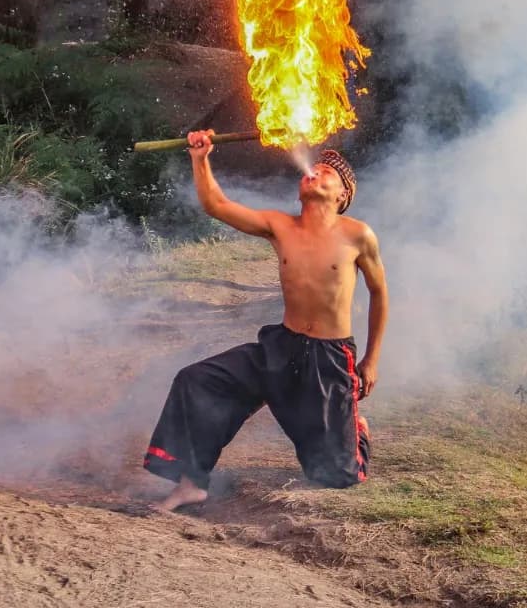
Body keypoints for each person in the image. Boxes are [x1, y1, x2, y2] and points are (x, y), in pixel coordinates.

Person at [142, 131, 389, 513]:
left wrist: (370, 360)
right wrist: (200, 158)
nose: (314, 172)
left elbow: (379, 293)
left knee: (335, 474)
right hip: (280, 348)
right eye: (313, 168)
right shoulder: (280, 226)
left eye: (327, 173)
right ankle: (192, 483)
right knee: (196, 380)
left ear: (342, 195)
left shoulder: (358, 235)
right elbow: (217, 205)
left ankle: (356, 430)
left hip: (329, 359)